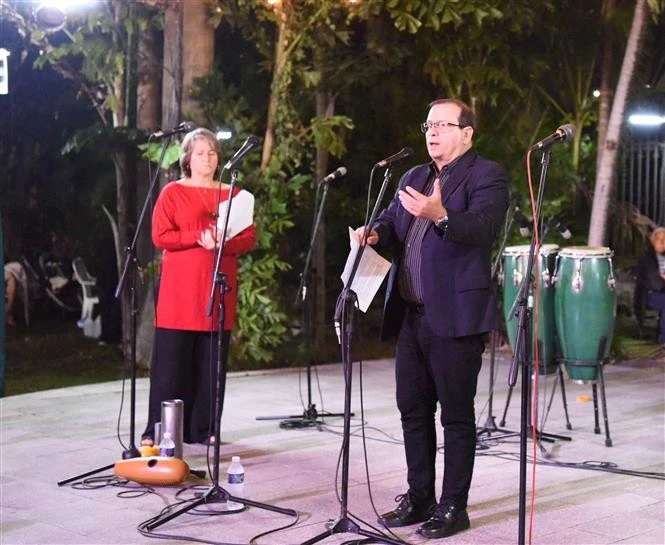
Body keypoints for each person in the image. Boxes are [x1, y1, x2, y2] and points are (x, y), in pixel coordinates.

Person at [356, 98, 509, 539]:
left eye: (444, 124)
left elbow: (483, 227)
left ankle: (452, 507)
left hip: (456, 316)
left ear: (467, 133)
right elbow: (390, 220)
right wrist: (374, 233)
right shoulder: (414, 175)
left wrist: (440, 214)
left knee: (456, 417)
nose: (433, 132)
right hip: (411, 316)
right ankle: (419, 496)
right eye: (429, 124)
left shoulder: (487, 174)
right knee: (413, 411)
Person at [141, 128, 256, 446]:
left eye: (213, 153)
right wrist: (198, 237)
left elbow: (248, 237)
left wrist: (224, 242)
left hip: (217, 286)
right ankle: (158, 429)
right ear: (187, 158)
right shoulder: (173, 192)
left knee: (210, 364)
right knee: (170, 364)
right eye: (201, 153)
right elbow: (161, 235)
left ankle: (203, 429)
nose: (208, 158)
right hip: (180, 290)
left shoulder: (234, 194)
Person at [634, 226, 665, 345]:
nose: (662, 243)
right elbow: (656, 284)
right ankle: (663, 340)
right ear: (653, 241)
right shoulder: (647, 258)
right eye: (659, 240)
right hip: (649, 295)